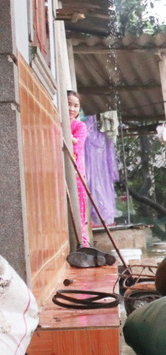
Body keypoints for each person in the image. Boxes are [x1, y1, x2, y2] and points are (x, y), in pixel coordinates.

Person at [67, 90, 89, 246]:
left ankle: (84, 246)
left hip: (76, 175)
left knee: (79, 214)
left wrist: (68, 136)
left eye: (76, 106)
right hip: (59, 174)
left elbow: (77, 147)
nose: (72, 109)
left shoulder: (80, 126)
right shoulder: (57, 122)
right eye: (69, 104)